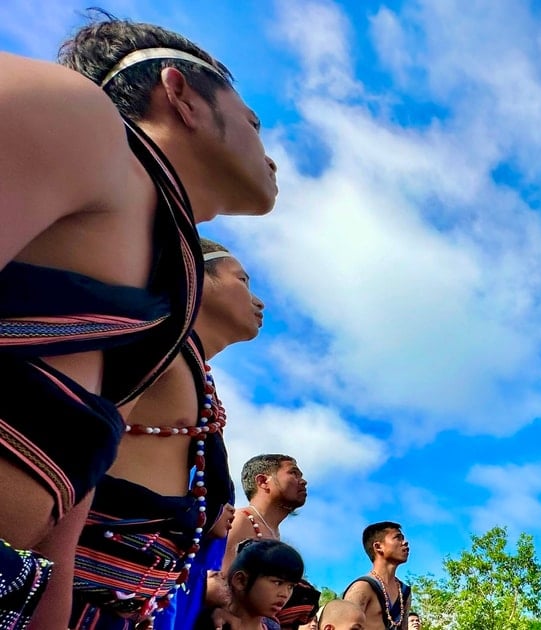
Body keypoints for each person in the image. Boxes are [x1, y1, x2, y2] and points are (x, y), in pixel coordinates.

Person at [1, 8, 276, 624]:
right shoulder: (84, 120)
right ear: (179, 92)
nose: (271, 154)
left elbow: (59, 532)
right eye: (255, 122)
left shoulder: (155, 295)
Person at [68, 238, 261, 628]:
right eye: (242, 280)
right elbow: (71, 462)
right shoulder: (153, 345)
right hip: (72, 602)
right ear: (196, 276)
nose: (260, 302)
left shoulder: (192, 372)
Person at [224, 454, 320, 628]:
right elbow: (220, 581)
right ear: (263, 481)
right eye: (293, 473)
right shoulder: (241, 521)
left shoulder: (273, 533)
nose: (303, 481)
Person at [198, 539, 304, 630]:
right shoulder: (212, 622)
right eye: (277, 582)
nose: (285, 594)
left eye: (291, 586)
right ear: (240, 580)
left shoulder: (273, 627)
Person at [343, 522, 412, 630]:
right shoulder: (362, 588)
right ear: (378, 546)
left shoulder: (404, 592)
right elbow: (344, 626)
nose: (405, 542)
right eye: (398, 538)